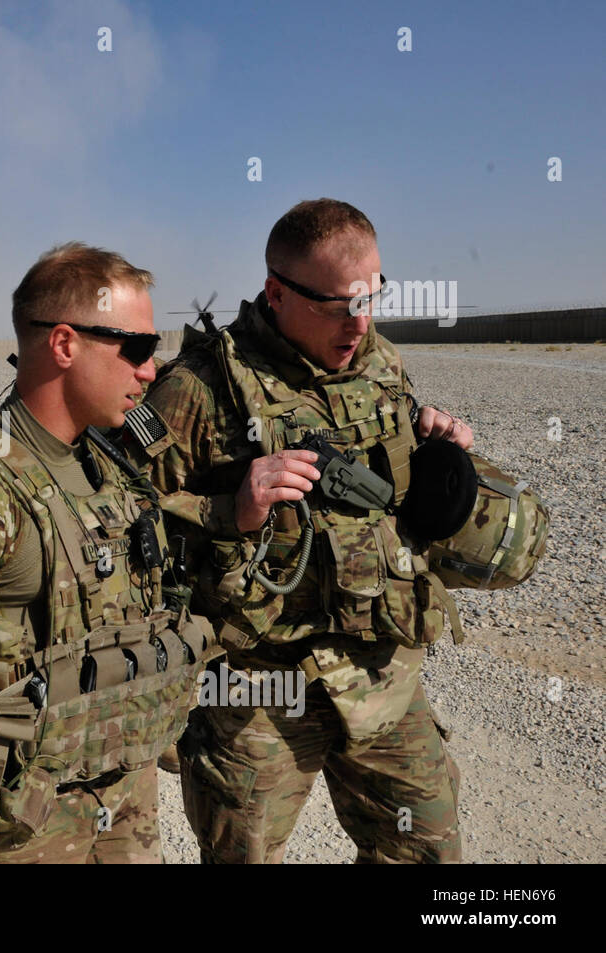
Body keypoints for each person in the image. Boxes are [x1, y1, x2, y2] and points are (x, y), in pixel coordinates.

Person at [134, 198, 474, 863]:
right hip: (259, 685)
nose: (359, 323)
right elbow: (116, 521)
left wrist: (439, 454)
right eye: (337, 306)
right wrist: (229, 511)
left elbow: (393, 494)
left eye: (372, 298)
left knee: (427, 851)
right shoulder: (200, 391)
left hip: (378, 668)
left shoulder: (381, 365)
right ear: (276, 293)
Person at [0, 243, 217, 864]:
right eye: (135, 347)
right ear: (64, 345)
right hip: (20, 822)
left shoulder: (111, 467)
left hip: (123, 793)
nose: (150, 370)